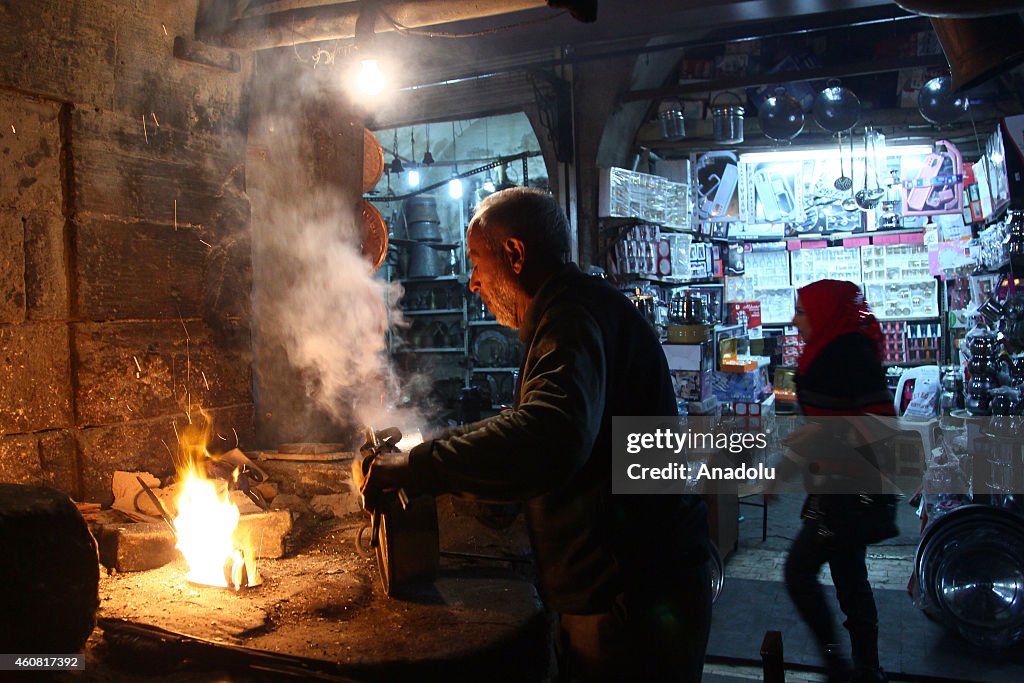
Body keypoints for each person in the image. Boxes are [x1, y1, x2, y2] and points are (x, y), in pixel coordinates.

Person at [359, 187, 712, 682]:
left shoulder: (570, 319)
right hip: (635, 580)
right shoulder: (575, 308)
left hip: (630, 596)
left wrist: (419, 467)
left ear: (516, 255)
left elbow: (551, 435)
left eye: (478, 263)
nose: (473, 284)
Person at [784, 279, 895, 683]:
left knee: (799, 573)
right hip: (832, 487)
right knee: (850, 577)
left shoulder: (851, 355)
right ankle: (864, 668)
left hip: (850, 490)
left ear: (824, 313)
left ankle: (838, 663)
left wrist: (822, 437)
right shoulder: (825, 351)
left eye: (802, 312)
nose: (794, 321)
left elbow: (880, 425)